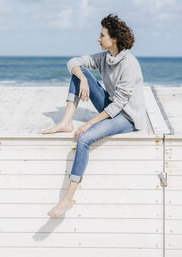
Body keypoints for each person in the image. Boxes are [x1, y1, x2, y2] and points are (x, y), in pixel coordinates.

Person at [42, 14, 147, 218]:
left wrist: (89, 123)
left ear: (114, 38)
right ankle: (66, 122)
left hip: (127, 116)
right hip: (111, 107)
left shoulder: (129, 63)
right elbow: (73, 61)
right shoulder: (104, 57)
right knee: (77, 72)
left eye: (102, 35)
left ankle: (68, 198)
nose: (98, 39)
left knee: (84, 139)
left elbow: (118, 105)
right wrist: (81, 77)